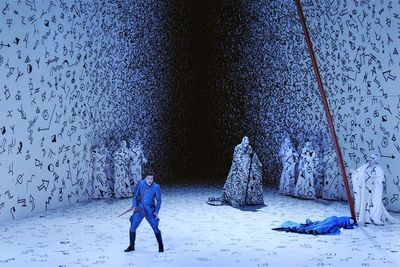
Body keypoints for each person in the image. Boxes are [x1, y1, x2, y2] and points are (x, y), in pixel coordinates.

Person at [207, 136, 263, 207]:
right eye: (245, 143)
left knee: (247, 184)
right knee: (237, 184)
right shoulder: (238, 147)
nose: (246, 145)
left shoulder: (249, 148)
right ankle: (236, 200)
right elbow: (236, 158)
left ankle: (245, 200)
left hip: (246, 168)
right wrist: (241, 167)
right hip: (237, 170)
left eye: (247, 143)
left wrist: (258, 162)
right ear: (242, 142)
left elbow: (253, 155)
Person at [351, 154, 398, 225]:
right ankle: (366, 218)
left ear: (375, 160)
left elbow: (381, 178)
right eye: (370, 157)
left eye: (372, 158)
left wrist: (376, 180)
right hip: (365, 189)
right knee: (365, 203)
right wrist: (354, 173)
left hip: (373, 189)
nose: (370, 159)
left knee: (372, 203)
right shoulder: (364, 167)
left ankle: (372, 217)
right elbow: (358, 172)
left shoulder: (378, 168)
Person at [125, 175, 164, 253]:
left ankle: (161, 246)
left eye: (151, 178)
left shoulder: (156, 187)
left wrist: (156, 211)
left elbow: (159, 200)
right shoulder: (141, 184)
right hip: (139, 209)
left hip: (150, 210)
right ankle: (131, 246)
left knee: (155, 228)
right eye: (148, 178)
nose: (150, 180)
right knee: (133, 226)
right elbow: (135, 196)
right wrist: (134, 205)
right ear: (145, 179)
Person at [273, 216, 356, 235]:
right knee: (325, 226)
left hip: (333, 219)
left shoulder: (349, 223)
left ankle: (314, 229)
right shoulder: (349, 220)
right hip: (333, 220)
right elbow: (349, 226)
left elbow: (349, 227)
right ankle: (315, 230)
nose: (352, 222)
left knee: (324, 225)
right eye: (352, 221)